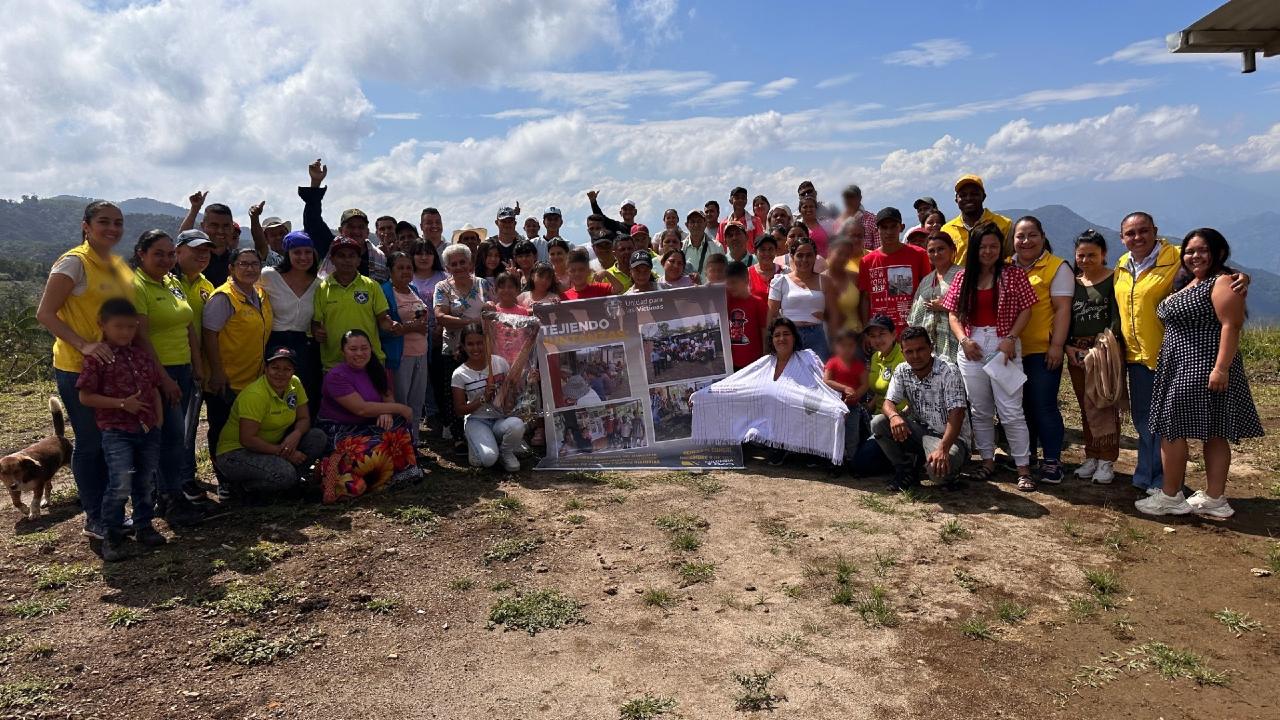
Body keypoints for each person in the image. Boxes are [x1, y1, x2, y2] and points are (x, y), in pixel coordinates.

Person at [1112, 211, 1249, 494]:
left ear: (1155, 231)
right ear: (1122, 238)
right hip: (1137, 356)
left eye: (1143, 231)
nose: (1137, 238)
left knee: (1170, 425)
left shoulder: (1176, 256)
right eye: (1130, 233)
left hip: (1173, 357)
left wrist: (1242, 277)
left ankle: (1165, 484)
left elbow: (1216, 274)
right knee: (1145, 420)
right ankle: (1147, 476)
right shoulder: (1123, 264)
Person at [1137, 229, 1264, 518]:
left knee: (1172, 429)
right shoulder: (1193, 282)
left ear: (1218, 252)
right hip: (1181, 364)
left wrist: (1220, 369)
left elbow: (1231, 325)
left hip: (1201, 364)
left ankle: (1170, 497)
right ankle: (1214, 498)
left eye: (1202, 250)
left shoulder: (1220, 282)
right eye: (1190, 251)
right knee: (1214, 431)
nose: (1194, 256)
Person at [37, 201, 135, 542]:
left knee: (113, 442)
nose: (112, 228)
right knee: (91, 443)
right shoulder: (73, 262)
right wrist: (84, 344)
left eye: (118, 222)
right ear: (86, 226)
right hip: (78, 369)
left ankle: (113, 511)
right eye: (104, 222)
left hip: (114, 370)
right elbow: (46, 313)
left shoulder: (116, 264)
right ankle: (95, 516)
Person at [941, 224, 1037, 490]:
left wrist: (1011, 339)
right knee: (980, 410)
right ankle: (987, 460)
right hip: (971, 344)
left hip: (1003, 342)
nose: (988, 251)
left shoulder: (1013, 274)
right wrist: (963, 339)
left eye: (993, 246)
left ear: (1001, 248)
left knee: (1011, 410)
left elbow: (1026, 309)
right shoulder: (963, 277)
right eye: (982, 246)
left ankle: (1023, 468)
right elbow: (952, 313)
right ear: (974, 249)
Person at [74, 298, 166, 560]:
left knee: (146, 481)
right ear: (102, 325)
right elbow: (86, 397)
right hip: (116, 430)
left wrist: (157, 420)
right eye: (119, 327)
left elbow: (153, 388)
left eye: (130, 327)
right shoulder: (97, 359)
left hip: (147, 430)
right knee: (120, 482)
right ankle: (112, 535)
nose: (125, 332)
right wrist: (122, 404)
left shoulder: (141, 355)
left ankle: (144, 527)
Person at [691, 317, 848, 466]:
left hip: (800, 406)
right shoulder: (766, 361)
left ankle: (808, 451)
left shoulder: (807, 357)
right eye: (777, 335)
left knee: (819, 407)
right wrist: (701, 396)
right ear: (772, 340)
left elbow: (821, 383)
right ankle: (777, 446)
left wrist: (836, 402)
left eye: (786, 334)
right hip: (771, 412)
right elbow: (738, 382)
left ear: (794, 337)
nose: (781, 339)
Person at [129, 230, 204, 526]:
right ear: (141, 254)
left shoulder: (173, 282)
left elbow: (188, 326)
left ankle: (170, 495)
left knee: (177, 437)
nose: (166, 259)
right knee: (168, 437)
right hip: (155, 373)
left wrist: (197, 365)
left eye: (170, 253)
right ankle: (167, 499)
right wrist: (163, 378)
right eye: (158, 253)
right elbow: (140, 336)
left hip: (182, 367)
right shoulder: (136, 286)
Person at [203, 247, 274, 499]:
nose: (250, 268)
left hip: (253, 379)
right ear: (231, 268)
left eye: (254, 264)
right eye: (243, 264)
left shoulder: (261, 294)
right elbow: (209, 335)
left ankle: (243, 479)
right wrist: (217, 372)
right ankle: (224, 482)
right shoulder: (223, 297)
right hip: (228, 379)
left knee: (246, 432)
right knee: (222, 432)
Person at [317, 330, 418, 503]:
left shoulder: (375, 368)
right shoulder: (336, 376)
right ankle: (347, 471)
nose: (359, 353)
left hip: (368, 425)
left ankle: (390, 473)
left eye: (364, 348)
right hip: (339, 430)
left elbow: (387, 396)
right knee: (377, 449)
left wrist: (387, 411)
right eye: (353, 349)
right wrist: (401, 408)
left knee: (400, 425)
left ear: (371, 349)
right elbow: (361, 409)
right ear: (343, 351)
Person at [213, 347, 326, 502]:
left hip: (272, 447)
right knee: (285, 473)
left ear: (294, 371)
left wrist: (296, 434)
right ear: (265, 369)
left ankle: (288, 485)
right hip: (236, 453)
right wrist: (286, 453)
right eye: (275, 368)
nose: (281, 373)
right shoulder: (255, 395)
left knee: (317, 437)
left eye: (287, 369)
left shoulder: (295, 384)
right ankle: (243, 488)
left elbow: (304, 418)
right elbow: (248, 440)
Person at [1009, 216, 1074, 484]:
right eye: (1020, 236)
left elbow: (1062, 309)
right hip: (1011, 351)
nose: (1026, 241)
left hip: (1041, 350)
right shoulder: (1006, 267)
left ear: (1043, 236)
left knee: (1044, 405)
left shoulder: (1057, 267)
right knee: (1020, 407)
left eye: (1032, 235)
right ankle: (1027, 457)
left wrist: (1057, 345)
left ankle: (1052, 461)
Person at [871, 327, 971, 490]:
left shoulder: (948, 370)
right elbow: (888, 404)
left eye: (920, 349)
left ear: (931, 348)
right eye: (909, 351)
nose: (915, 356)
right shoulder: (902, 370)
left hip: (951, 439)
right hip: (919, 432)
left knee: (937, 475)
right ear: (902, 352)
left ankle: (948, 472)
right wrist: (894, 417)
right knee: (879, 422)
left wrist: (943, 449)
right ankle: (905, 471)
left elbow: (957, 413)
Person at [1066, 230, 1122, 484]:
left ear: (1104, 255)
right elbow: (1066, 317)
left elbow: (1116, 318)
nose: (1086, 260)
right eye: (1081, 255)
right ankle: (1091, 454)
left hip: (1103, 353)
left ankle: (1107, 458)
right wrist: (1068, 347)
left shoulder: (1114, 280)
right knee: (1085, 405)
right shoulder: (1074, 283)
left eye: (1092, 255)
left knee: (1105, 403)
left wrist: (1102, 346)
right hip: (1077, 353)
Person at [171, 229, 216, 504]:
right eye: (195, 249)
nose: (202, 255)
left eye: (206, 251)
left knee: (187, 426)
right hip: (169, 363)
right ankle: (171, 482)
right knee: (171, 426)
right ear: (178, 252)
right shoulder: (167, 281)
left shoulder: (206, 286)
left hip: (196, 367)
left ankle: (185, 477)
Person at [258, 231, 322, 419]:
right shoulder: (269, 276)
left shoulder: (319, 284)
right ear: (287, 254)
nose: (303, 257)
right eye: (297, 252)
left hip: (303, 344)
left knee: (304, 391)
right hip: (273, 341)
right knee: (274, 390)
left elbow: (316, 317)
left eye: (308, 252)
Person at [434, 244, 490, 454]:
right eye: (453, 264)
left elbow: (492, 309)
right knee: (454, 394)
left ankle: (485, 431)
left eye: (462, 262)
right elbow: (440, 316)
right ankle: (459, 437)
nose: (458, 267)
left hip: (481, 347)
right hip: (454, 349)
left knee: (484, 388)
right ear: (447, 267)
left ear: (470, 263)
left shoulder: (483, 284)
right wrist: (472, 323)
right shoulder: (443, 288)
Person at [452, 324, 528, 471]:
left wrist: (527, 380)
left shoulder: (499, 362)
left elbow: (512, 390)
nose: (476, 348)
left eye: (480, 343)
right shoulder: (459, 374)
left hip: (500, 419)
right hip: (477, 421)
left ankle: (506, 452)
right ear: (463, 346)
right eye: (470, 344)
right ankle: (477, 446)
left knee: (517, 425)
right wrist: (482, 399)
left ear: (487, 342)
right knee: (488, 459)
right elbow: (459, 410)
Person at [312, 235, 393, 373]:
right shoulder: (321, 288)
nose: (347, 260)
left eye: (351, 255)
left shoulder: (372, 286)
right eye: (341, 255)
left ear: (358, 260)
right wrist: (316, 331)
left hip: (369, 362)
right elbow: (315, 323)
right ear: (332, 259)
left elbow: (382, 319)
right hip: (335, 364)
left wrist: (391, 325)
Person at [299, 159, 388, 281]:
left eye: (361, 227)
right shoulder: (330, 246)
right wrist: (315, 183)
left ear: (367, 232)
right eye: (350, 226)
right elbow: (312, 221)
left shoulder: (380, 257)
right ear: (341, 230)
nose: (356, 231)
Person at [380, 252, 431, 447]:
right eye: (400, 268)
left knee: (417, 400)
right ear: (390, 271)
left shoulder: (414, 289)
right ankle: (400, 443)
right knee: (400, 401)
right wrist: (413, 327)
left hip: (421, 353)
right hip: (400, 355)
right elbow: (388, 328)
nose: (405, 271)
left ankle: (414, 440)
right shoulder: (384, 292)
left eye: (408, 267)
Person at [858, 208, 931, 335]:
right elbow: (865, 298)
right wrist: (866, 331)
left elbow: (928, 291)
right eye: (884, 227)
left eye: (893, 227)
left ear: (901, 227)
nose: (889, 232)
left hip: (912, 329)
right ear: (877, 230)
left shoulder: (919, 255)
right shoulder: (866, 261)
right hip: (879, 333)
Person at [767, 239, 835, 361]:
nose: (805, 259)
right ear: (792, 256)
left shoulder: (825, 281)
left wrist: (824, 316)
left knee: (819, 376)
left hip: (817, 337)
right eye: (800, 255)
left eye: (809, 255)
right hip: (789, 338)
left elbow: (833, 316)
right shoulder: (780, 281)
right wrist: (770, 346)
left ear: (815, 256)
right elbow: (771, 316)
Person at [409, 239, 448, 435]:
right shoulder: (408, 278)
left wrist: (441, 327)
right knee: (423, 377)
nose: (424, 257)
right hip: (416, 335)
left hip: (443, 333)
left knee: (441, 374)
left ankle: (445, 412)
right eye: (419, 253)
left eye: (428, 253)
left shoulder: (444, 276)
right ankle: (430, 413)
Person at [823, 328, 871, 477]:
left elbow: (865, 384)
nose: (847, 349)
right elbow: (826, 380)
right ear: (836, 347)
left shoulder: (858, 365)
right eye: (843, 345)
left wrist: (857, 394)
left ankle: (852, 461)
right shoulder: (832, 363)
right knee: (835, 434)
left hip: (853, 407)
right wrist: (845, 387)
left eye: (850, 345)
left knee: (852, 436)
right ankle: (835, 462)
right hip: (835, 408)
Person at [907, 233, 961, 362]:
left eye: (941, 249)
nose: (936, 254)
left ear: (952, 249)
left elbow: (974, 308)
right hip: (929, 346)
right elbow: (915, 314)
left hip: (957, 340)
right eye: (931, 251)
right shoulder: (926, 280)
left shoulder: (962, 275)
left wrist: (945, 306)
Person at [941, 174, 1011, 261]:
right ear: (956, 200)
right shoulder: (946, 230)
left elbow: (1012, 258)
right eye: (963, 195)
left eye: (974, 194)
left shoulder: (1005, 224)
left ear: (983, 197)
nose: (968, 198)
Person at [179, 191, 235, 288]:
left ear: (232, 229)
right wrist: (195, 208)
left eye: (226, 226)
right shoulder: (197, 257)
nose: (220, 231)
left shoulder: (237, 260)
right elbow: (184, 237)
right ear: (202, 226)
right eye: (214, 225)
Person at [726, 261, 768, 371]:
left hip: (754, 364)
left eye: (734, 282)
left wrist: (765, 358)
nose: (730, 287)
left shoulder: (758, 303)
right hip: (731, 365)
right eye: (728, 283)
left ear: (746, 280)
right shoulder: (726, 302)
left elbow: (765, 333)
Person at [825, 230, 862, 333]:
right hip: (827, 340)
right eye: (840, 253)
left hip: (854, 336)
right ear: (829, 251)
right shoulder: (819, 279)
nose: (843, 258)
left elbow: (863, 308)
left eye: (847, 255)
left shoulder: (855, 277)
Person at [864, 314, 903, 411]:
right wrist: (868, 407)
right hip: (879, 413)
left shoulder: (904, 357)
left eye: (882, 334)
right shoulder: (875, 357)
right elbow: (881, 391)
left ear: (894, 334)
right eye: (872, 336)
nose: (877, 340)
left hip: (899, 416)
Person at [836, 184, 881, 250]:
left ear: (860, 198)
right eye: (846, 197)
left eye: (852, 197)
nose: (848, 200)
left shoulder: (872, 219)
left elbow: (878, 249)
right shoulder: (839, 222)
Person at [681, 210, 722, 282]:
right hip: (687, 292)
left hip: (710, 291)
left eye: (699, 221)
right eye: (692, 222)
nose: (696, 225)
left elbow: (723, 272)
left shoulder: (717, 247)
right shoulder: (680, 248)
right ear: (687, 225)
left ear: (705, 224)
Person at [747, 233, 781, 302]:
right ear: (755, 252)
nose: (767, 253)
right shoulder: (747, 274)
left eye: (770, 249)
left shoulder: (784, 271)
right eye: (762, 249)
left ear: (775, 251)